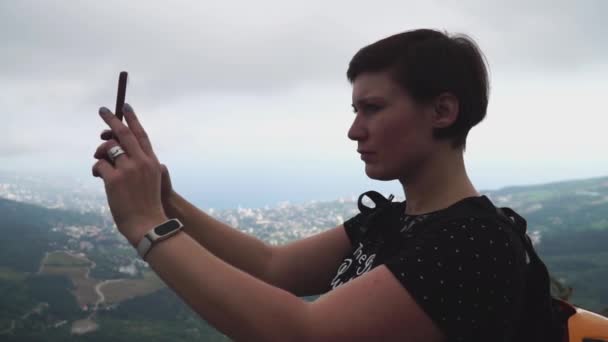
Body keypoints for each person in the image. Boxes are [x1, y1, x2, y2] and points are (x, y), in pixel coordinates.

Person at [92, 29, 537, 341]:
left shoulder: (473, 242)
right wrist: (168, 201)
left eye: (373, 108)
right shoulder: (393, 221)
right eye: (355, 110)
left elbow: (302, 333)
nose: (355, 130)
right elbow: (273, 267)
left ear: (442, 111)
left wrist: (147, 223)